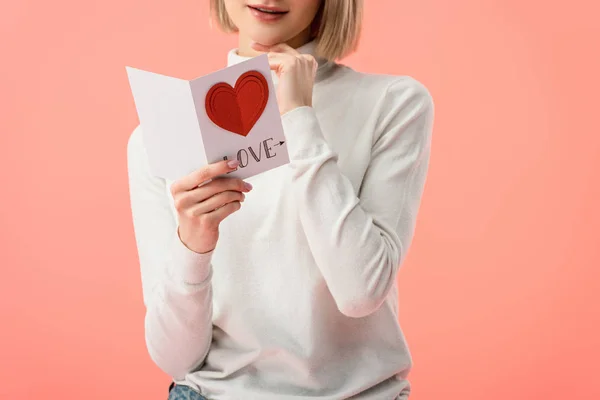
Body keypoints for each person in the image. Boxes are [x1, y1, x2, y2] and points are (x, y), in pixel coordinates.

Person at [126, 0, 435, 399]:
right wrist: (193, 245)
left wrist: (299, 116)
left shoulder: (394, 102)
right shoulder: (165, 131)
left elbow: (360, 293)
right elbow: (175, 359)